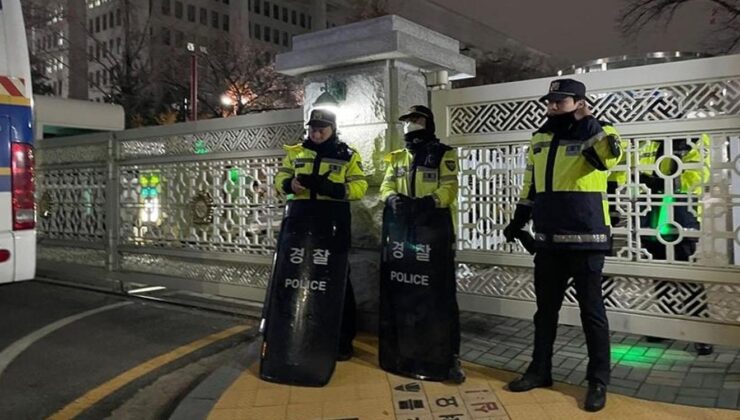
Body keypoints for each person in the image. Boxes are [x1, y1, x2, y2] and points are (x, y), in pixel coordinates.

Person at [502, 79, 622, 412]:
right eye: (550, 101)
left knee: (592, 314)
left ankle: (598, 381)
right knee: (545, 313)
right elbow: (531, 184)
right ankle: (540, 370)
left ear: (580, 102)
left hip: (588, 239)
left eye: (560, 101)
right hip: (549, 239)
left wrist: (587, 122)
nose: (553, 106)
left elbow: (606, 160)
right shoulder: (539, 137)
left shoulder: (602, 131)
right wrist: (518, 219)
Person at [273, 108, 368, 362]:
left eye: (321, 129)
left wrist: (333, 188)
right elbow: (280, 178)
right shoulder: (296, 153)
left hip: (332, 225)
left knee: (337, 281)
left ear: (332, 129)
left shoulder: (347, 155)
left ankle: (342, 342)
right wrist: (289, 185)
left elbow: (360, 187)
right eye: (312, 128)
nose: (315, 133)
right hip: (301, 224)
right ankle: (298, 333)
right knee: (298, 279)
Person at [378, 105, 464, 383]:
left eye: (415, 119)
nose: (410, 124)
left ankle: (445, 356)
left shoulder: (443, 153)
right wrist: (392, 199)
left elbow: (449, 189)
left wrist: (429, 203)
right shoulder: (397, 156)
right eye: (407, 120)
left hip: (433, 234)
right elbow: (385, 186)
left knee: (438, 297)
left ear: (428, 122)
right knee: (404, 294)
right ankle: (402, 353)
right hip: (403, 234)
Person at [637, 134, 713, 355]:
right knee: (661, 273)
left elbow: (697, 175)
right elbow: (637, 170)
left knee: (687, 274)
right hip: (653, 215)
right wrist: (645, 180)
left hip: (681, 215)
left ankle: (701, 333)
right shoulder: (649, 140)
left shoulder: (695, 139)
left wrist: (662, 178)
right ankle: (665, 325)